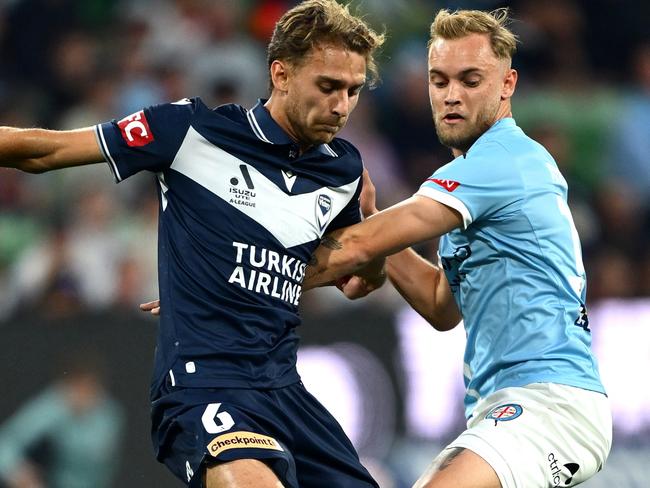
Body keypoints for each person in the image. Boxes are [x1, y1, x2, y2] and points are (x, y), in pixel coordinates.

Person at [0, 1, 386, 487]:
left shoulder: (344, 172)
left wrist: (372, 250)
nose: (340, 106)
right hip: (204, 385)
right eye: (328, 86)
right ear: (281, 74)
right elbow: (46, 151)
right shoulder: (189, 132)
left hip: (285, 392)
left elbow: (357, 279)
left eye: (352, 91)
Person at [304, 8, 612, 488]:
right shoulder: (473, 188)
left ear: (507, 84)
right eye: (439, 80)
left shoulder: (501, 160)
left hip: (548, 403)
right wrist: (372, 232)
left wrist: (234, 279)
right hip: (504, 406)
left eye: (471, 80)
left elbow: (355, 247)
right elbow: (440, 304)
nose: (451, 95)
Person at [0, 354, 123, 488]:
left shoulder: (109, 415)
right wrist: (18, 472)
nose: (82, 395)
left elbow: (96, 454)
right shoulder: (55, 404)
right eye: (76, 387)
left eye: (88, 388)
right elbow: (6, 442)